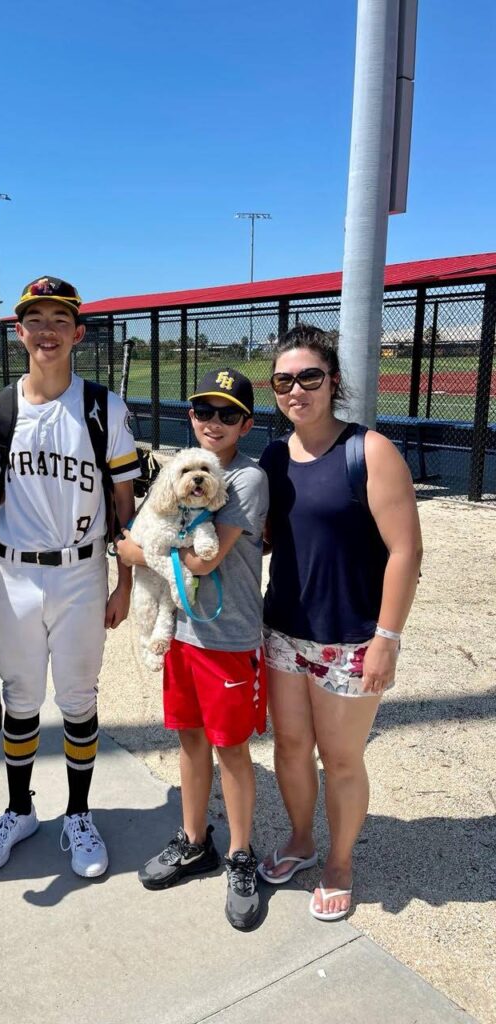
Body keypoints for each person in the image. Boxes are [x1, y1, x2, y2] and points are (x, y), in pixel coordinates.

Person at [0, 276, 139, 878]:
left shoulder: (103, 406)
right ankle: (18, 810)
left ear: (78, 333)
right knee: (21, 700)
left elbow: (123, 502)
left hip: (82, 572)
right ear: (19, 333)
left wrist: (125, 583)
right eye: (35, 320)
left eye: (59, 319)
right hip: (13, 575)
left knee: (79, 699)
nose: (47, 331)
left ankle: (79, 816)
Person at [257, 324, 423, 921]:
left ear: (332, 382)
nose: (296, 389)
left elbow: (406, 551)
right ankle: (302, 840)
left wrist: (387, 639)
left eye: (309, 377)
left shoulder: (369, 450)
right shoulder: (275, 456)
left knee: (342, 757)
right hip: (283, 633)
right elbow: (271, 538)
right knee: (292, 747)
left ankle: (340, 861)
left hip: (351, 639)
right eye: (283, 380)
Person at [117, 368, 269, 930]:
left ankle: (240, 854)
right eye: (206, 411)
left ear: (246, 424)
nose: (215, 422)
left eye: (229, 414)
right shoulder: (180, 471)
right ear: (192, 417)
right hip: (180, 632)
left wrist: (136, 555)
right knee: (189, 740)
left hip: (226, 637)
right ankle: (194, 839)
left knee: (230, 748)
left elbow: (203, 560)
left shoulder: (247, 479)